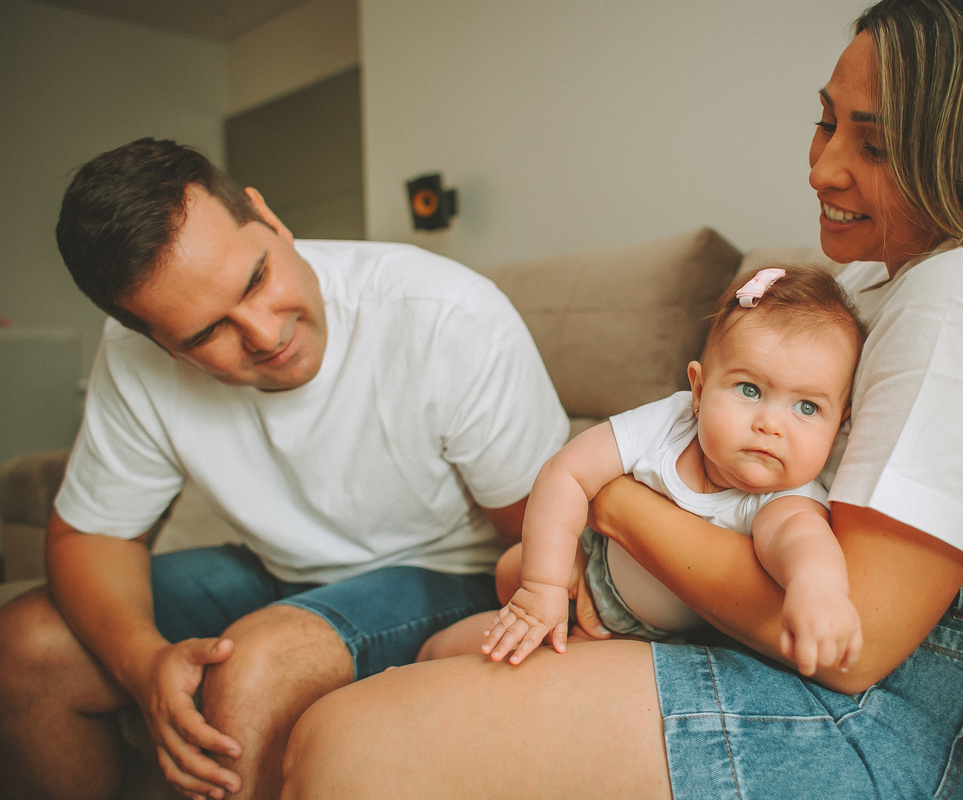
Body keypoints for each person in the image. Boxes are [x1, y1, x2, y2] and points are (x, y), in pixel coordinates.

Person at [278, 1, 963, 797]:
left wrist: (621, 503)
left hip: (908, 715)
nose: (824, 168)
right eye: (825, 123)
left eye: (875, 145)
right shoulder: (870, 290)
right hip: (807, 654)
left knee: (349, 750)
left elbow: (854, 639)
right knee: (370, 709)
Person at [0, 138, 568, 800]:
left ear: (269, 219)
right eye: (205, 333)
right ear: (158, 341)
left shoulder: (447, 317)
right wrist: (141, 664)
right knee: (27, 642)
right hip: (282, 572)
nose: (266, 334)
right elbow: (89, 537)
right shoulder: (135, 357)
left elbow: (541, 542)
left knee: (258, 663)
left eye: (257, 279)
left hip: (449, 572)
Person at [482, 266, 866, 676]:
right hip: (589, 561)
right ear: (699, 391)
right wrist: (544, 587)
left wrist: (818, 591)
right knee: (511, 568)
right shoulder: (671, 424)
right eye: (749, 390)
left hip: (657, 642)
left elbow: (802, 543)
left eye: (807, 408)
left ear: (840, 424)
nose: (771, 425)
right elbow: (567, 472)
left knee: (567, 668)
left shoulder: (786, 498)